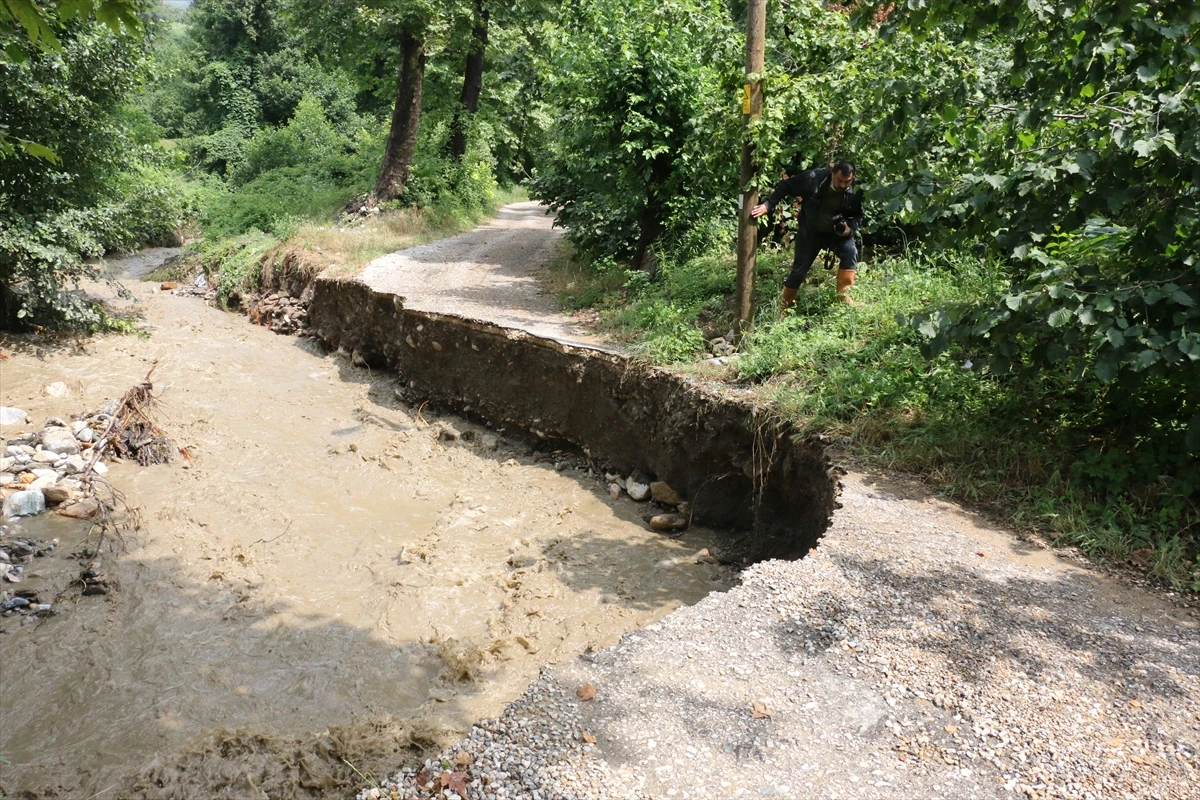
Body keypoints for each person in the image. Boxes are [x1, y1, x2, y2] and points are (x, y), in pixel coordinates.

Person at [750, 159, 864, 312]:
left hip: (836, 233)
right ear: (832, 173)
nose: (843, 185)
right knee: (799, 270)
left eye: (847, 182)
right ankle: (784, 307)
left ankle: (843, 297)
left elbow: (857, 215)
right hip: (811, 233)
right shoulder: (813, 178)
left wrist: (850, 229)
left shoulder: (856, 189)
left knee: (850, 252)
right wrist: (768, 205)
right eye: (839, 181)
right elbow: (786, 185)